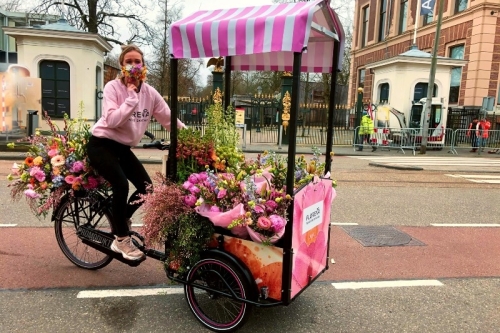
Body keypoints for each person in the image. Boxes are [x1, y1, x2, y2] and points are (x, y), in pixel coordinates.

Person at [87, 44, 186, 261]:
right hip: (102, 144)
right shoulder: (114, 88)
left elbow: (168, 118)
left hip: (122, 148)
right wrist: (131, 98)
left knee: (146, 188)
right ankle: (121, 239)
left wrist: (191, 138)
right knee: (121, 185)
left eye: (137, 61)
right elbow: (111, 120)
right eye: (128, 62)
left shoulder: (150, 93)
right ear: (122, 66)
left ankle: (120, 220)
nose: (133, 66)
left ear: (143, 66)